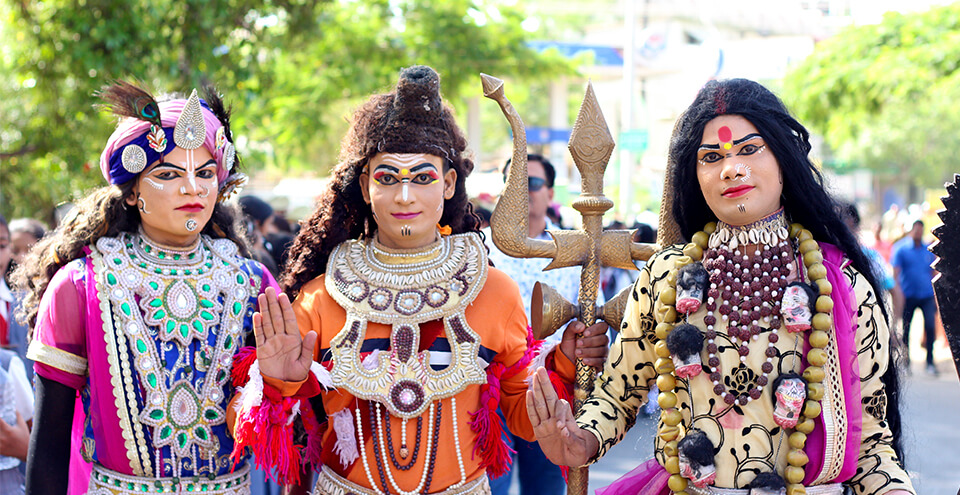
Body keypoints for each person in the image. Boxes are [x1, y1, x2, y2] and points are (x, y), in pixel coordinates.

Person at [230, 65, 610, 495]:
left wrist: (561, 363)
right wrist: (277, 381)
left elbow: (522, 415)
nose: (405, 196)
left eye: (423, 177)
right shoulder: (322, 296)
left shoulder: (493, 291)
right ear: (365, 185)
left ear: (449, 183)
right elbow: (252, 430)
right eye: (388, 177)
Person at [527, 79, 914, 495]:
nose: (731, 168)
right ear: (696, 176)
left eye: (749, 149)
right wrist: (575, 440)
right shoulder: (666, 277)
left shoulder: (840, 283)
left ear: (783, 159)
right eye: (711, 157)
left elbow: (871, 442)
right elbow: (618, 397)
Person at [13, 81, 274, 494]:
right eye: (168, 174)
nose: (192, 187)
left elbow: (280, 426)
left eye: (205, 173)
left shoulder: (253, 282)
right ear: (132, 191)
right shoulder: (81, 285)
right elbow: (49, 443)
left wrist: (286, 383)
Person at [485, 154, 590, 495]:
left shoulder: (572, 250)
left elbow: (584, 320)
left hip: (550, 390)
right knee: (488, 489)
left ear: (550, 192)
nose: (523, 191)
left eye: (532, 183)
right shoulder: (478, 246)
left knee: (544, 490)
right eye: (514, 183)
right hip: (487, 394)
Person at [892, 219, 938, 376]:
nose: (918, 232)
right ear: (912, 230)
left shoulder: (927, 250)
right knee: (906, 329)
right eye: (916, 229)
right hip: (908, 295)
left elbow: (933, 273)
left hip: (926, 295)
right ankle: (906, 361)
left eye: (921, 230)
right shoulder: (901, 250)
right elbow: (895, 275)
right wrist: (898, 295)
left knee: (930, 327)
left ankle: (930, 362)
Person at [6, 218, 47, 379]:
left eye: (29, 250)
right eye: (15, 250)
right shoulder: (6, 295)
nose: (21, 258)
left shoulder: (49, 292)